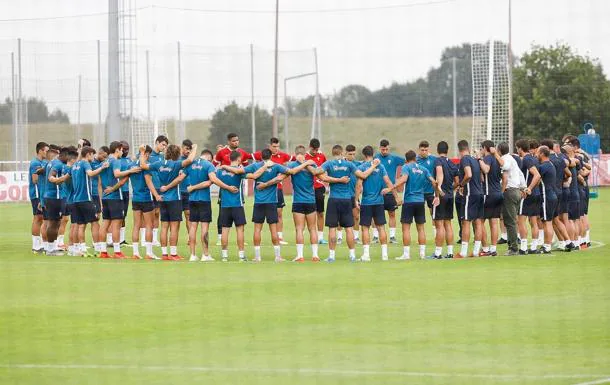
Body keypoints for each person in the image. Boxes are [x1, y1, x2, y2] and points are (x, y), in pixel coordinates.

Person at [224, 149, 311, 262]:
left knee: (257, 229)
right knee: (273, 229)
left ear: (260, 156)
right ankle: (277, 256)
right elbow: (292, 171)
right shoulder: (276, 166)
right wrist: (305, 163)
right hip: (271, 202)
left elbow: (238, 171)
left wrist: (224, 167)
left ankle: (257, 256)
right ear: (271, 156)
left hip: (258, 202)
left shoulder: (255, 166)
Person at [321, 145, 379, 262]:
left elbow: (320, 175)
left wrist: (335, 179)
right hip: (347, 199)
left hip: (333, 199)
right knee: (349, 228)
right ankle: (352, 255)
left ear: (333, 152)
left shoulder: (329, 164)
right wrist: (373, 166)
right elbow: (363, 175)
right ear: (342, 153)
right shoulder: (349, 165)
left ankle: (331, 256)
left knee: (332, 228)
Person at [140, 143, 197, 260]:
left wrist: (142, 153)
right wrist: (195, 147)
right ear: (177, 154)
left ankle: (165, 254)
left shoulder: (158, 163)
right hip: (174, 199)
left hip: (162, 199)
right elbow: (190, 159)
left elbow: (143, 166)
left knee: (164, 226)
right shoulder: (176, 164)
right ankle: (174, 254)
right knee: (174, 227)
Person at [215, 150, 268, 262]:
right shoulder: (239, 171)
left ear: (230, 159)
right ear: (239, 159)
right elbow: (254, 175)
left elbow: (213, 179)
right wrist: (265, 166)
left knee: (225, 230)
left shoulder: (221, 171)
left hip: (224, 205)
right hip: (237, 205)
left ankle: (224, 256)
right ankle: (241, 256)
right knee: (240, 230)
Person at [184, 149, 235, 262]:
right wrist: (227, 187)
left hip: (192, 199)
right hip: (204, 200)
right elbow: (211, 181)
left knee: (193, 227)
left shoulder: (190, 164)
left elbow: (181, 177)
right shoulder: (209, 165)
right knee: (204, 227)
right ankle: (205, 254)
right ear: (209, 157)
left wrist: (191, 187)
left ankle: (192, 255)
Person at [394, 150, 439, 260]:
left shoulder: (406, 167)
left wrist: (392, 187)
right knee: (421, 228)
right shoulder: (423, 169)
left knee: (406, 228)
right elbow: (434, 182)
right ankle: (422, 254)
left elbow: (403, 179)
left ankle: (406, 254)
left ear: (406, 159)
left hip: (409, 201)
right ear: (415, 158)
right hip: (420, 201)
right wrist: (437, 194)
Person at [99, 141, 140, 259]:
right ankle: (117, 252)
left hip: (106, 197)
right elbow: (117, 174)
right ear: (117, 149)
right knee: (116, 224)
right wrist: (130, 171)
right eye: (122, 150)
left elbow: (101, 181)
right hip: (115, 197)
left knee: (105, 223)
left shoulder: (105, 161)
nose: (123, 152)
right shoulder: (115, 161)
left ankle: (103, 251)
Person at [356, 145, 397, 261]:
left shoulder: (362, 166)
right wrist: (389, 190)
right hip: (379, 202)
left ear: (364, 155)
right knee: (381, 228)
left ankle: (366, 255)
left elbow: (359, 185)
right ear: (373, 153)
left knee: (365, 228)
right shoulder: (381, 166)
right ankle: (384, 255)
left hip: (367, 202)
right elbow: (388, 181)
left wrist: (356, 199)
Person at [284, 145, 322, 262]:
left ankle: (300, 256)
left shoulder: (292, 165)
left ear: (295, 155)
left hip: (298, 201)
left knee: (299, 229)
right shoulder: (311, 164)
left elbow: (287, 172)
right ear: (305, 154)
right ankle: (315, 255)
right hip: (310, 200)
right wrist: (306, 163)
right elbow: (318, 173)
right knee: (312, 229)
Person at [253, 137, 294, 245]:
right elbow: (247, 156)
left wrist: (286, 168)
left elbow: (294, 160)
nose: (276, 148)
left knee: (279, 213)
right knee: (268, 220)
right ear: (269, 146)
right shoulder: (261, 155)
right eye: (274, 146)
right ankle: (274, 243)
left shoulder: (283, 156)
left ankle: (280, 237)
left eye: (278, 146)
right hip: (266, 193)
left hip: (277, 189)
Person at [70, 146, 108, 257]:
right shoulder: (85, 163)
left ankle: (82, 250)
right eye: (92, 154)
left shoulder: (75, 165)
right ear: (88, 154)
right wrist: (102, 167)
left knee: (81, 225)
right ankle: (97, 249)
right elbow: (90, 173)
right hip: (85, 198)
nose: (93, 157)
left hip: (76, 199)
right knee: (95, 223)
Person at [491, 143, 526, 255]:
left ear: (499, 150)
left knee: (510, 221)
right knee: (511, 220)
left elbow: (504, 167)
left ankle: (513, 248)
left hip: (510, 192)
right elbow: (520, 175)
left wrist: (495, 154)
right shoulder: (512, 159)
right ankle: (513, 244)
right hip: (516, 191)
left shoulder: (505, 159)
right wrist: (523, 188)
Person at [129, 145, 161, 260]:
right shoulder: (145, 166)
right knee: (149, 225)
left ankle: (135, 253)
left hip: (135, 199)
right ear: (146, 154)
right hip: (146, 198)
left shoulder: (131, 164)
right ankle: (149, 253)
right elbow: (149, 182)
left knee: (136, 225)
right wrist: (156, 195)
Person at [456, 140, 484, 258]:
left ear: (459, 150)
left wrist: (461, 185)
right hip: (479, 193)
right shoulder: (475, 160)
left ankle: (463, 252)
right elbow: (481, 178)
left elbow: (469, 174)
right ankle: (476, 252)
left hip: (470, 194)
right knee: (478, 223)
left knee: (466, 222)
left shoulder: (465, 159)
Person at [374, 139, 404, 244]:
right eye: (383, 149)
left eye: (386, 149)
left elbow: (408, 161)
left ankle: (392, 237)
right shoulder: (375, 158)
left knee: (392, 214)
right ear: (380, 148)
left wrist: (402, 176)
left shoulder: (394, 158)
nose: (385, 151)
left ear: (389, 148)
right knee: (376, 215)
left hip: (391, 191)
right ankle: (375, 236)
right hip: (377, 191)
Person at [43, 147, 72, 256]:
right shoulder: (58, 164)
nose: (69, 159)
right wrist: (59, 180)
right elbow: (51, 177)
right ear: (64, 156)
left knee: (55, 223)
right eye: (68, 157)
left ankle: (52, 247)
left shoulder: (52, 162)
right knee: (54, 223)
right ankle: (50, 249)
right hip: (55, 197)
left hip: (51, 196)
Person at [432, 141, 458, 259]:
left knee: (439, 225)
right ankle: (450, 252)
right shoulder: (452, 163)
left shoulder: (438, 161)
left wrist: (438, 191)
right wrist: (450, 190)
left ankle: (437, 253)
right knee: (448, 224)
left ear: (438, 150)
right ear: (447, 150)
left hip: (441, 195)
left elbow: (439, 174)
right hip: (449, 195)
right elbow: (457, 182)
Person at [516, 139, 542, 254]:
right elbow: (539, 179)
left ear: (520, 148)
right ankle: (534, 247)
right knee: (534, 221)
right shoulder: (535, 159)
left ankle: (523, 247)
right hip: (536, 193)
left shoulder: (526, 159)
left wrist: (529, 189)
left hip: (527, 194)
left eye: (517, 148)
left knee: (521, 220)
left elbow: (537, 175)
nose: (517, 150)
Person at [478, 140, 503, 256]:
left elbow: (486, 170)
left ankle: (486, 249)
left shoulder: (487, 158)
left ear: (485, 148)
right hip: (498, 193)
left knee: (480, 221)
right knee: (494, 222)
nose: (481, 151)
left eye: (482, 149)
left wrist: (479, 159)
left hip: (488, 194)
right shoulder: (498, 160)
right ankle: (493, 249)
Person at [304, 138, 328, 244]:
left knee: (320, 212)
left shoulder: (321, 156)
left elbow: (326, 168)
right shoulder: (305, 157)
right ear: (309, 147)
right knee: (308, 213)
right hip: (307, 188)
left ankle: (320, 237)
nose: (315, 152)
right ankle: (309, 234)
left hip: (319, 187)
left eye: (316, 150)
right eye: (313, 149)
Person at [536, 145, 558, 254]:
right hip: (552, 196)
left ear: (542, 154)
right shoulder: (551, 165)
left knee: (547, 222)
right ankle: (547, 245)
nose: (536, 154)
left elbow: (537, 179)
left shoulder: (543, 166)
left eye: (537, 152)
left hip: (546, 196)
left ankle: (547, 246)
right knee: (548, 221)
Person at [29, 142, 49, 253]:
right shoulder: (35, 163)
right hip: (36, 193)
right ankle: (35, 245)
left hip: (43, 193)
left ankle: (41, 243)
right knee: (38, 217)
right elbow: (35, 180)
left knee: (43, 218)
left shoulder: (45, 162)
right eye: (46, 150)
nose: (47, 153)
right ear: (40, 151)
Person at [149, 135, 169, 247]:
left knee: (157, 213)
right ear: (157, 142)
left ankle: (155, 238)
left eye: (166, 146)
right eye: (163, 145)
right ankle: (146, 238)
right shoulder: (148, 155)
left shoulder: (163, 157)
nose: (164, 147)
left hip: (160, 187)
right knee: (149, 213)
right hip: (150, 187)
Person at [341, 144, 362, 244]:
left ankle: (356, 237)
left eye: (354, 154)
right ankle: (340, 237)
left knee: (356, 216)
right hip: (342, 195)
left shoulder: (357, 164)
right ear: (345, 153)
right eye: (350, 154)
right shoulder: (340, 164)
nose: (352, 156)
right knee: (340, 217)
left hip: (354, 195)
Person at [90, 146, 109, 254]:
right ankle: (96, 244)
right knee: (94, 220)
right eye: (104, 156)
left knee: (96, 218)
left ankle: (94, 243)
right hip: (91, 194)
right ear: (100, 153)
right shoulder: (92, 162)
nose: (104, 159)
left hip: (96, 194)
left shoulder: (102, 162)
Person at [416, 140, 438, 221]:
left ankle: (435, 232)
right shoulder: (415, 160)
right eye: (422, 150)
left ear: (428, 150)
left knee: (433, 214)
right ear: (419, 150)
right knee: (419, 215)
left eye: (426, 150)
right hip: (419, 192)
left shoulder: (434, 159)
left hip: (431, 191)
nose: (424, 152)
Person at [117, 140, 132, 246]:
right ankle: (113, 239)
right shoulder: (116, 160)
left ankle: (122, 240)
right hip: (117, 191)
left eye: (127, 149)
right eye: (124, 149)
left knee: (123, 216)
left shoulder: (129, 160)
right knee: (115, 216)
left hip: (126, 191)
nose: (126, 151)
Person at [179, 139, 193, 236]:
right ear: (182, 148)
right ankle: (173, 238)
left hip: (188, 191)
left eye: (190, 149)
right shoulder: (177, 160)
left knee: (188, 214)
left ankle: (190, 237)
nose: (188, 151)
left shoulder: (192, 161)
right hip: (177, 191)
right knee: (176, 217)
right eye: (186, 148)